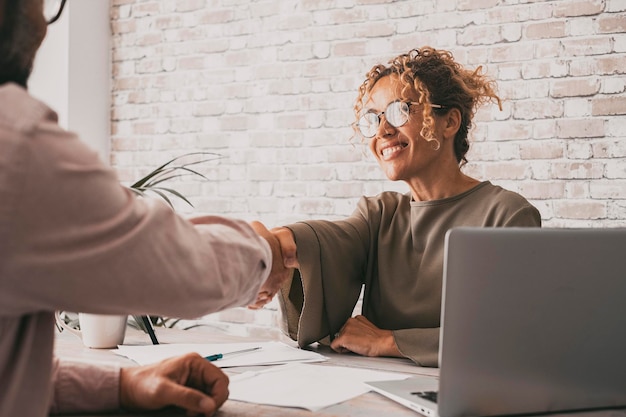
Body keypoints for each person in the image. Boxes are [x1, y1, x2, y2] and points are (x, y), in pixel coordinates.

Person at [0, 1, 280, 416]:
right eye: (41, 5)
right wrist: (267, 249)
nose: (44, 24)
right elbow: (190, 270)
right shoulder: (15, 147)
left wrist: (122, 385)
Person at [250, 46, 542, 367]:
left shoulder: (507, 214)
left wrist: (388, 341)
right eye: (372, 118)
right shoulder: (381, 215)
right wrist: (277, 244)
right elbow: (330, 241)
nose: (382, 131)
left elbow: (511, 337)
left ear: (449, 122)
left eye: (398, 111)